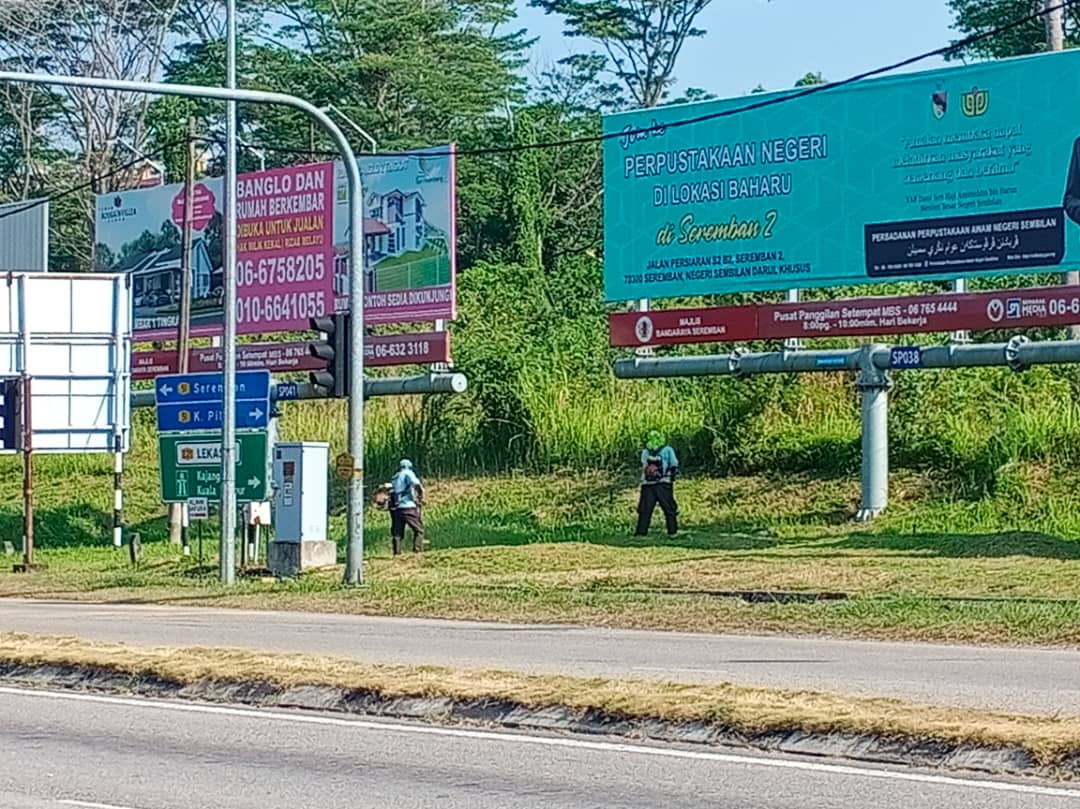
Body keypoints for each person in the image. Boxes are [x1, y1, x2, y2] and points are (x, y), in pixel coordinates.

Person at [634, 430, 679, 537]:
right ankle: (672, 532)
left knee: (645, 509)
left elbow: (644, 464)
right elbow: (674, 464)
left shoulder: (645, 452)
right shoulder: (668, 449)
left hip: (647, 484)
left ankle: (641, 532)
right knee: (669, 508)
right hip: (664, 483)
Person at [388, 459, 425, 555]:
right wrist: (420, 495)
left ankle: (397, 553)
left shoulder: (395, 477)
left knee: (397, 533)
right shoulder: (408, 473)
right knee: (418, 529)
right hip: (408, 506)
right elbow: (416, 484)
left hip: (396, 508)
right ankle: (417, 550)